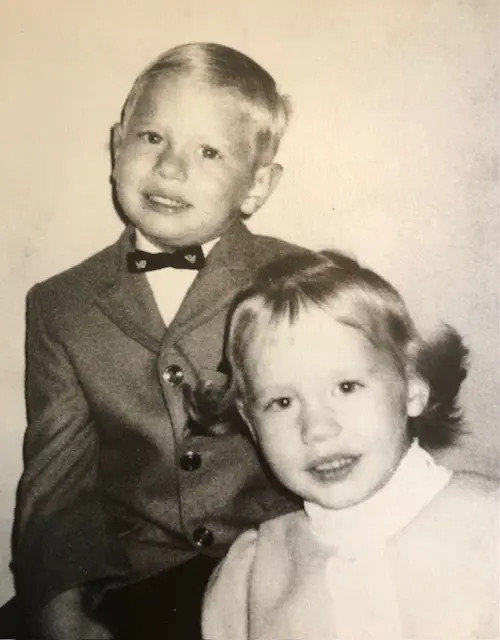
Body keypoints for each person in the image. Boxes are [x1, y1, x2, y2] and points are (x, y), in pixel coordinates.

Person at [13, 42, 305, 639]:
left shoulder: (299, 282)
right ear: (116, 146)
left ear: (256, 186)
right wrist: (58, 605)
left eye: (208, 151)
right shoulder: (59, 305)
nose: (171, 168)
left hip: (280, 572)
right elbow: (57, 481)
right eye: (152, 138)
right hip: (136, 585)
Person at [202, 250, 499, 639]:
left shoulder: (487, 527)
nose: (317, 429)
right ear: (250, 422)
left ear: (413, 388)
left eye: (346, 387)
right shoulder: (250, 578)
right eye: (282, 402)